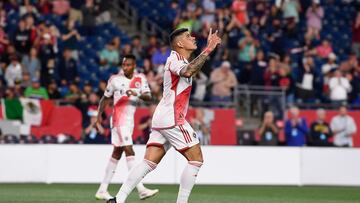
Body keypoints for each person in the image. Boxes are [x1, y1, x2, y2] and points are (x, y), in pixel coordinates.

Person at [106, 28, 221, 203]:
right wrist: (208, 49)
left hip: (163, 117)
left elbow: (191, 69)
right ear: (180, 43)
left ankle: (118, 199)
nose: (193, 38)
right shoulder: (174, 59)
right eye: (188, 36)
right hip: (173, 117)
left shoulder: (181, 60)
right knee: (196, 159)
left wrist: (208, 51)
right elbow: (188, 71)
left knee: (149, 162)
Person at [94, 54, 158, 201]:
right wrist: (98, 117)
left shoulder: (140, 78)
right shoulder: (115, 80)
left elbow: (149, 97)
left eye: (128, 65)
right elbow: (105, 98)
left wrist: (137, 93)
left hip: (129, 121)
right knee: (129, 150)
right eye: (124, 65)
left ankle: (102, 189)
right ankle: (141, 189)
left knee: (117, 152)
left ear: (134, 65)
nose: (125, 67)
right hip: (118, 120)